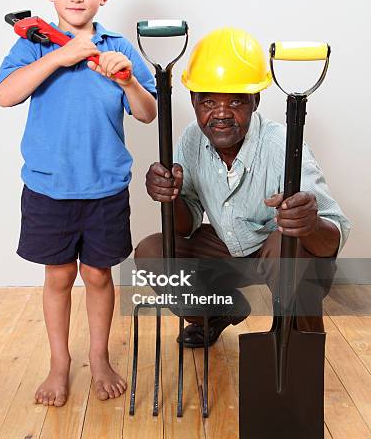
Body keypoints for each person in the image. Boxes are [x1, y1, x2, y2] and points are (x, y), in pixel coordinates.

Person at [0, 0, 157, 406]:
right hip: (49, 188)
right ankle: (60, 362)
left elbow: (148, 113)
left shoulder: (118, 48)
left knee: (99, 276)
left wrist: (127, 80)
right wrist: (57, 59)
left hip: (104, 187)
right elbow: (5, 95)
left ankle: (101, 356)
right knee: (58, 276)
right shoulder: (34, 43)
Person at [135, 28, 350, 347]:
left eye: (235, 101)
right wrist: (172, 197)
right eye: (208, 101)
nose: (220, 114)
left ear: (255, 101)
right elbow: (184, 227)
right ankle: (218, 312)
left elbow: (333, 237)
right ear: (194, 101)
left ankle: (298, 348)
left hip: (279, 255)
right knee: (153, 253)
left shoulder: (282, 145)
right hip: (228, 249)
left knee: (286, 250)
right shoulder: (192, 140)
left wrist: (310, 223)